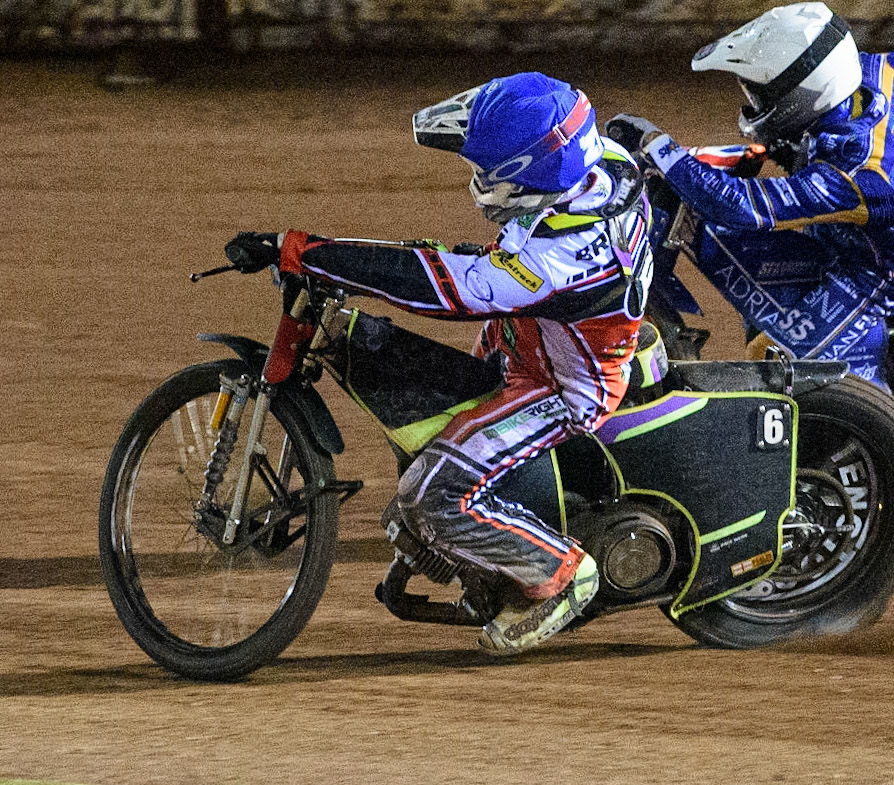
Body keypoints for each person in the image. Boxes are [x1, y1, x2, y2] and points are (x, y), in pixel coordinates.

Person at [226, 72, 653, 654]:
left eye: (490, 171)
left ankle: (558, 575)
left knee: (431, 498)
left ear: (529, 175)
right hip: (526, 336)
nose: (479, 181)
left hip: (562, 387)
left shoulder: (564, 258)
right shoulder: (599, 159)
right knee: (416, 473)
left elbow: (447, 289)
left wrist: (310, 252)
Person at [608, 2, 894, 621]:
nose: (747, 99)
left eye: (759, 90)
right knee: (712, 236)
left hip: (876, 271)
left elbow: (744, 208)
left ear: (804, 93)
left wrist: (658, 147)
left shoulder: (866, 170)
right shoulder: (882, 74)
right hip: (843, 236)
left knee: (802, 378)